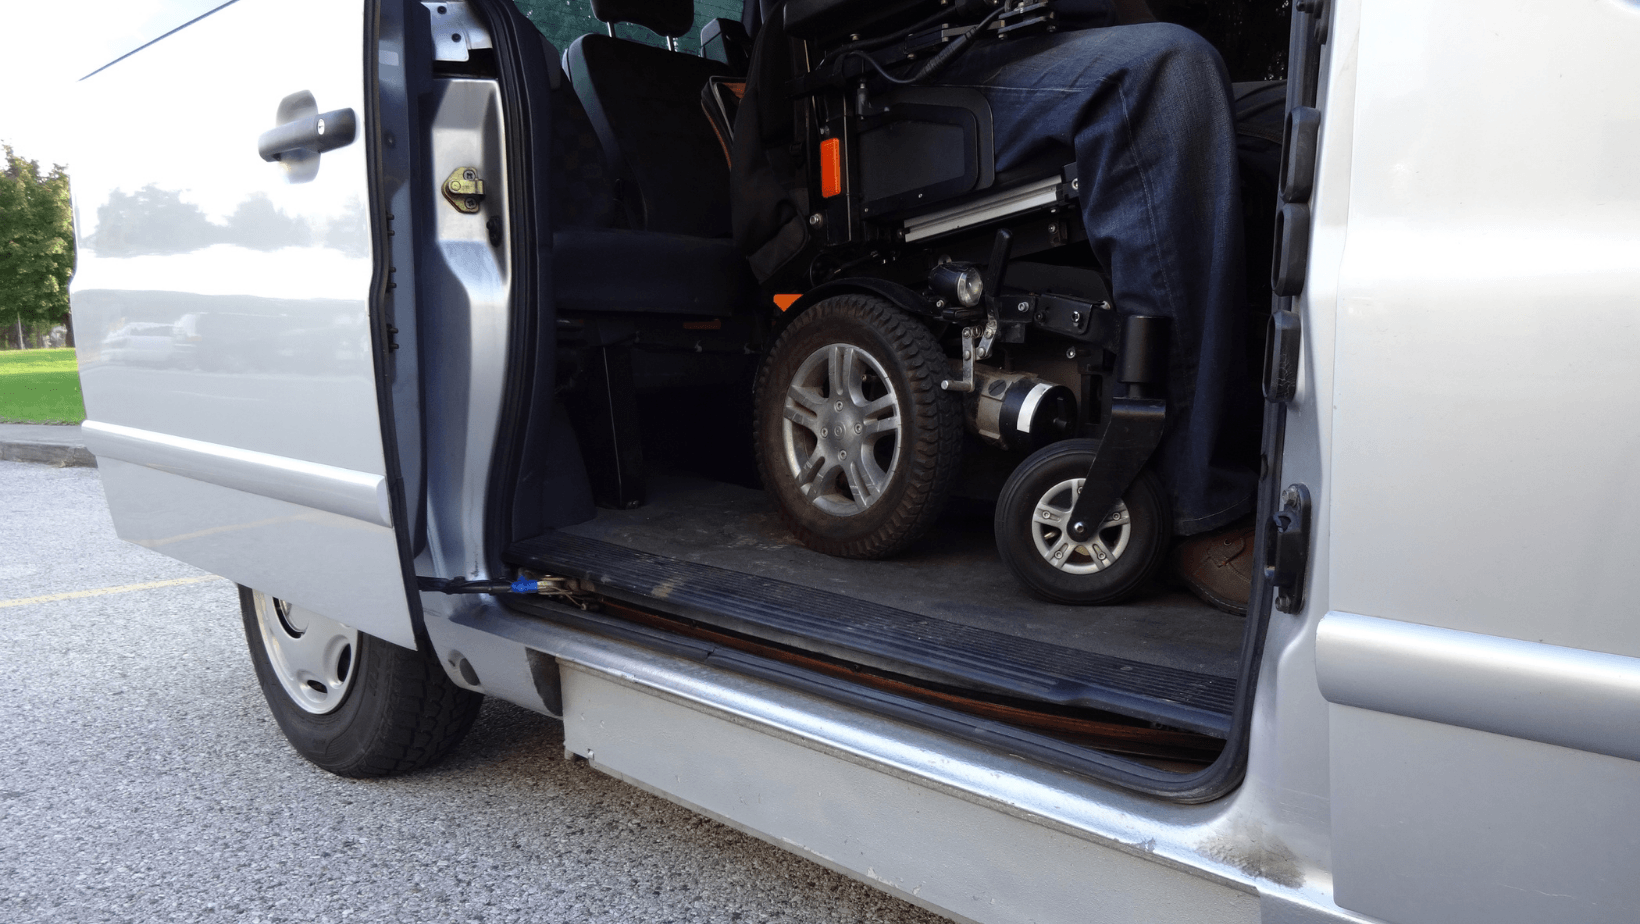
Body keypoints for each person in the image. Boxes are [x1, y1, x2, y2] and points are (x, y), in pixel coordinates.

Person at [735, 0, 1261, 613]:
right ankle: (1195, 498)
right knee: (1165, 72)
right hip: (916, 63)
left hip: (1051, 32)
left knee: (1295, 106)